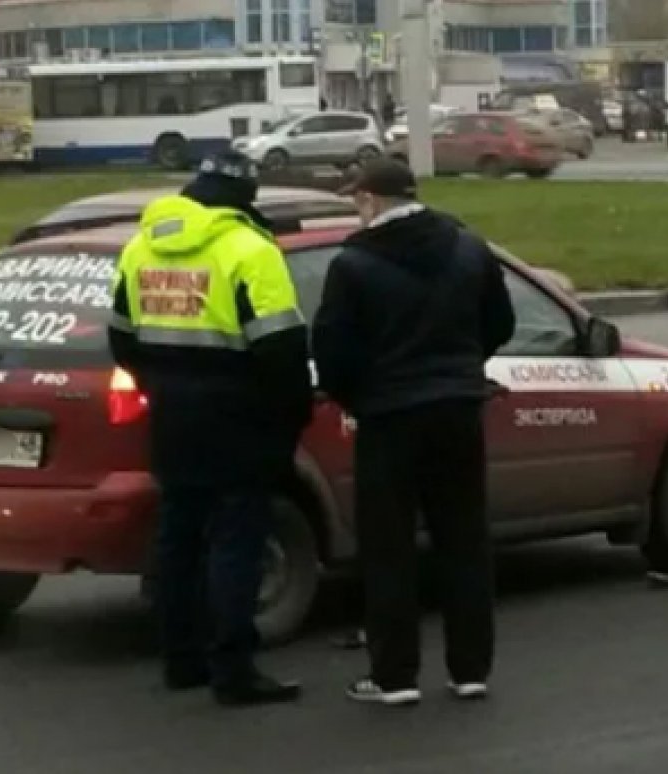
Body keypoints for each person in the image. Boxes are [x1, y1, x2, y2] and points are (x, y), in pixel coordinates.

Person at [108, 152, 313, 708]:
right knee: (236, 544)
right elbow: (284, 351)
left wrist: (165, 382)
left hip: (173, 417)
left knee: (177, 538)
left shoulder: (141, 246)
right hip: (240, 418)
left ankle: (181, 659)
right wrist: (289, 418)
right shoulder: (250, 249)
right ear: (246, 195)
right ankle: (234, 669)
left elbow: (122, 338)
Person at [312, 159, 515, 707]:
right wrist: (462, 368)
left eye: (358, 198)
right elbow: (501, 323)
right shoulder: (469, 248)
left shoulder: (353, 265)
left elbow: (331, 350)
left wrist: (359, 396)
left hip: (388, 417)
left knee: (389, 548)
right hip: (457, 410)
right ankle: (471, 667)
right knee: (465, 539)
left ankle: (395, 675)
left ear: (372, 201)